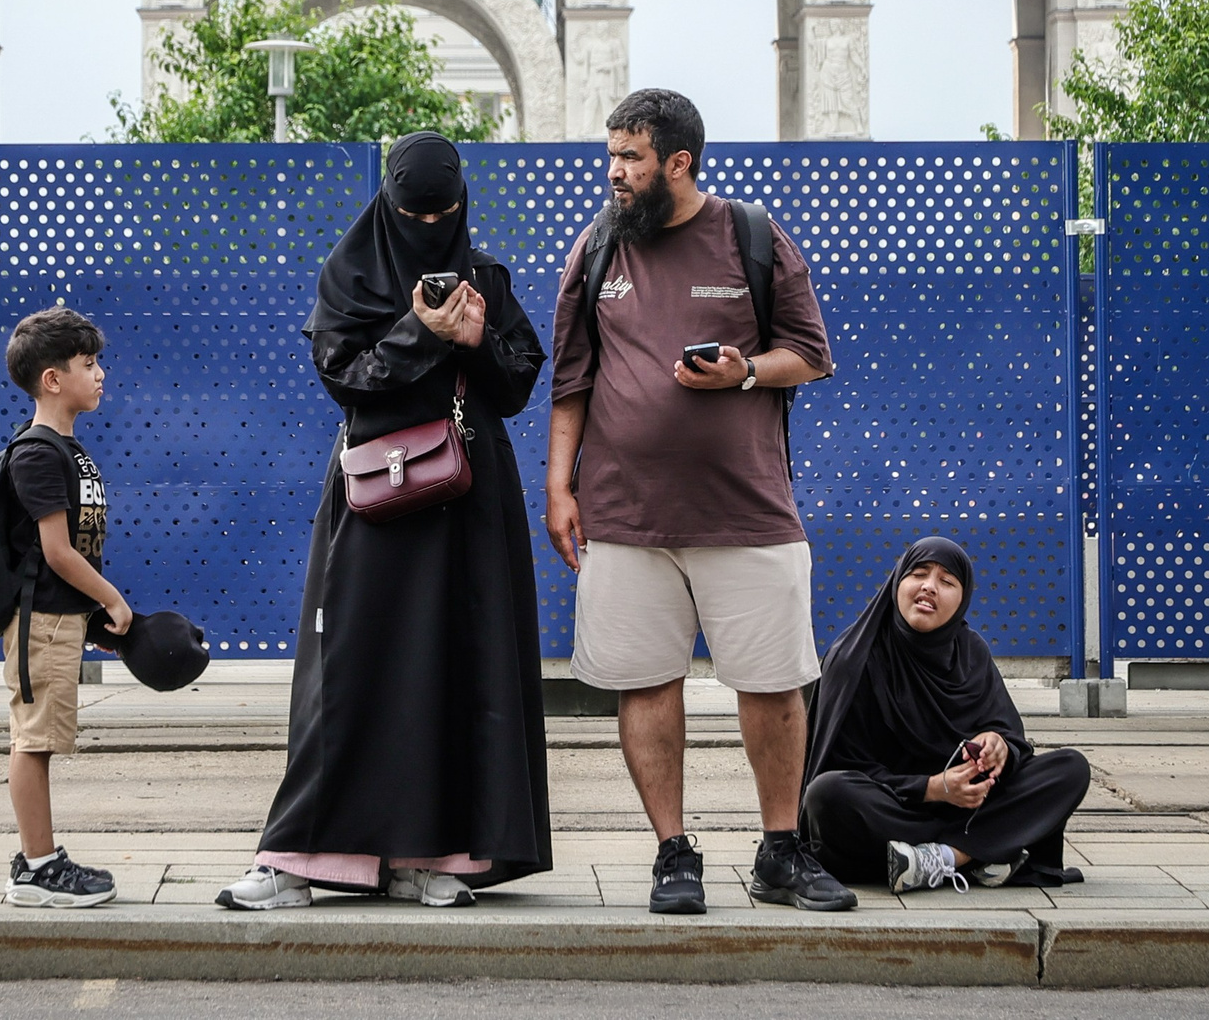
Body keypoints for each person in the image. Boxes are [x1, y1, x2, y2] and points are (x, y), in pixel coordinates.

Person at [219, 131, 552, 910]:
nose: (429, 225)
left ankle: (430, 855)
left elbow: (519, 382)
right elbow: (348, 380)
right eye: (414, 212)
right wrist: (419, 333)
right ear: (388, 203)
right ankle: (299, 859)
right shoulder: (350, 271)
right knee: (352, 672)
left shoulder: (486, 278)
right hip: (379, 497)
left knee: (457, 669)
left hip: (468, 499)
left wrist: (477, 338)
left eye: (444, 212)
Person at [546, 88, 854, 915]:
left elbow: (812, 354)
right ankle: (672, 854)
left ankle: (781, 852)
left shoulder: (752, 236)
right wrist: (557, 487)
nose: (613, 172)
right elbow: (570, 380)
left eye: (630, 158)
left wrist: (745, 371)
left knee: (772, 684)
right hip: (625, 516)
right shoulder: (598, 246)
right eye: (610, 155)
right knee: (646, 682)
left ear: (678, 163)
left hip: (748, 511)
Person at [801, 537, 1091, 894]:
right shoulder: (854, 658)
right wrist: (934, 788)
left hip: (969, 808)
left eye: (947, 581)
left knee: (1070, 768)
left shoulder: (971, 652)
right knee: (827, 794)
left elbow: (1010, 736)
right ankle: (983, 853)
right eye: (919, 574)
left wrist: (998, 745)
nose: (929, 587)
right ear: (897, 583)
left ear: (962, 598)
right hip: (895, 809)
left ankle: (944, 858)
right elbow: (838, 764)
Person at [0, 306, 131, 908]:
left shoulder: (68, 449)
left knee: (41, 738)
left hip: (61, 618)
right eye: (88, 364)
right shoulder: (37, 452)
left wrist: (92, 614)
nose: (100, 374)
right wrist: (110, 597)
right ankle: (36, 867)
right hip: (40, 623)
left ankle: (40, 858)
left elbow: (77, 545)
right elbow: (55, 551)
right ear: (53, 379)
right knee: (34, 740)